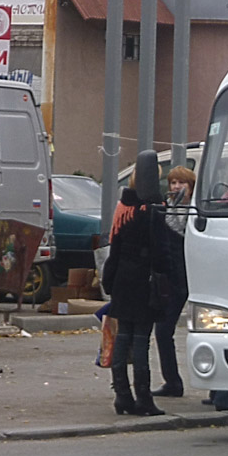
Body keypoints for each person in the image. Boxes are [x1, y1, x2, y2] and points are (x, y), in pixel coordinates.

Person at [101, 172, 170, 416]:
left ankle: (122, 395)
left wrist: (108, 282)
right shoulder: (154, 210)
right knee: (141, 340)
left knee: (123, 337)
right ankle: (144, 398)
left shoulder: (123, 207)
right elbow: (162, 251)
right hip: (145, 281)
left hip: (122, 279)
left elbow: (114, 247)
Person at [152, 166, 196, 397]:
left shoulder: (195, 211)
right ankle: (172, 381)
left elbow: (183, 233)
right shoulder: (166, 208)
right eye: (173, 183)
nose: (176, 187)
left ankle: (219, 388)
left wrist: (177, 211)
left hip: (192, 276)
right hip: (173, 278)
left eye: (182, 183)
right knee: (163, 330)